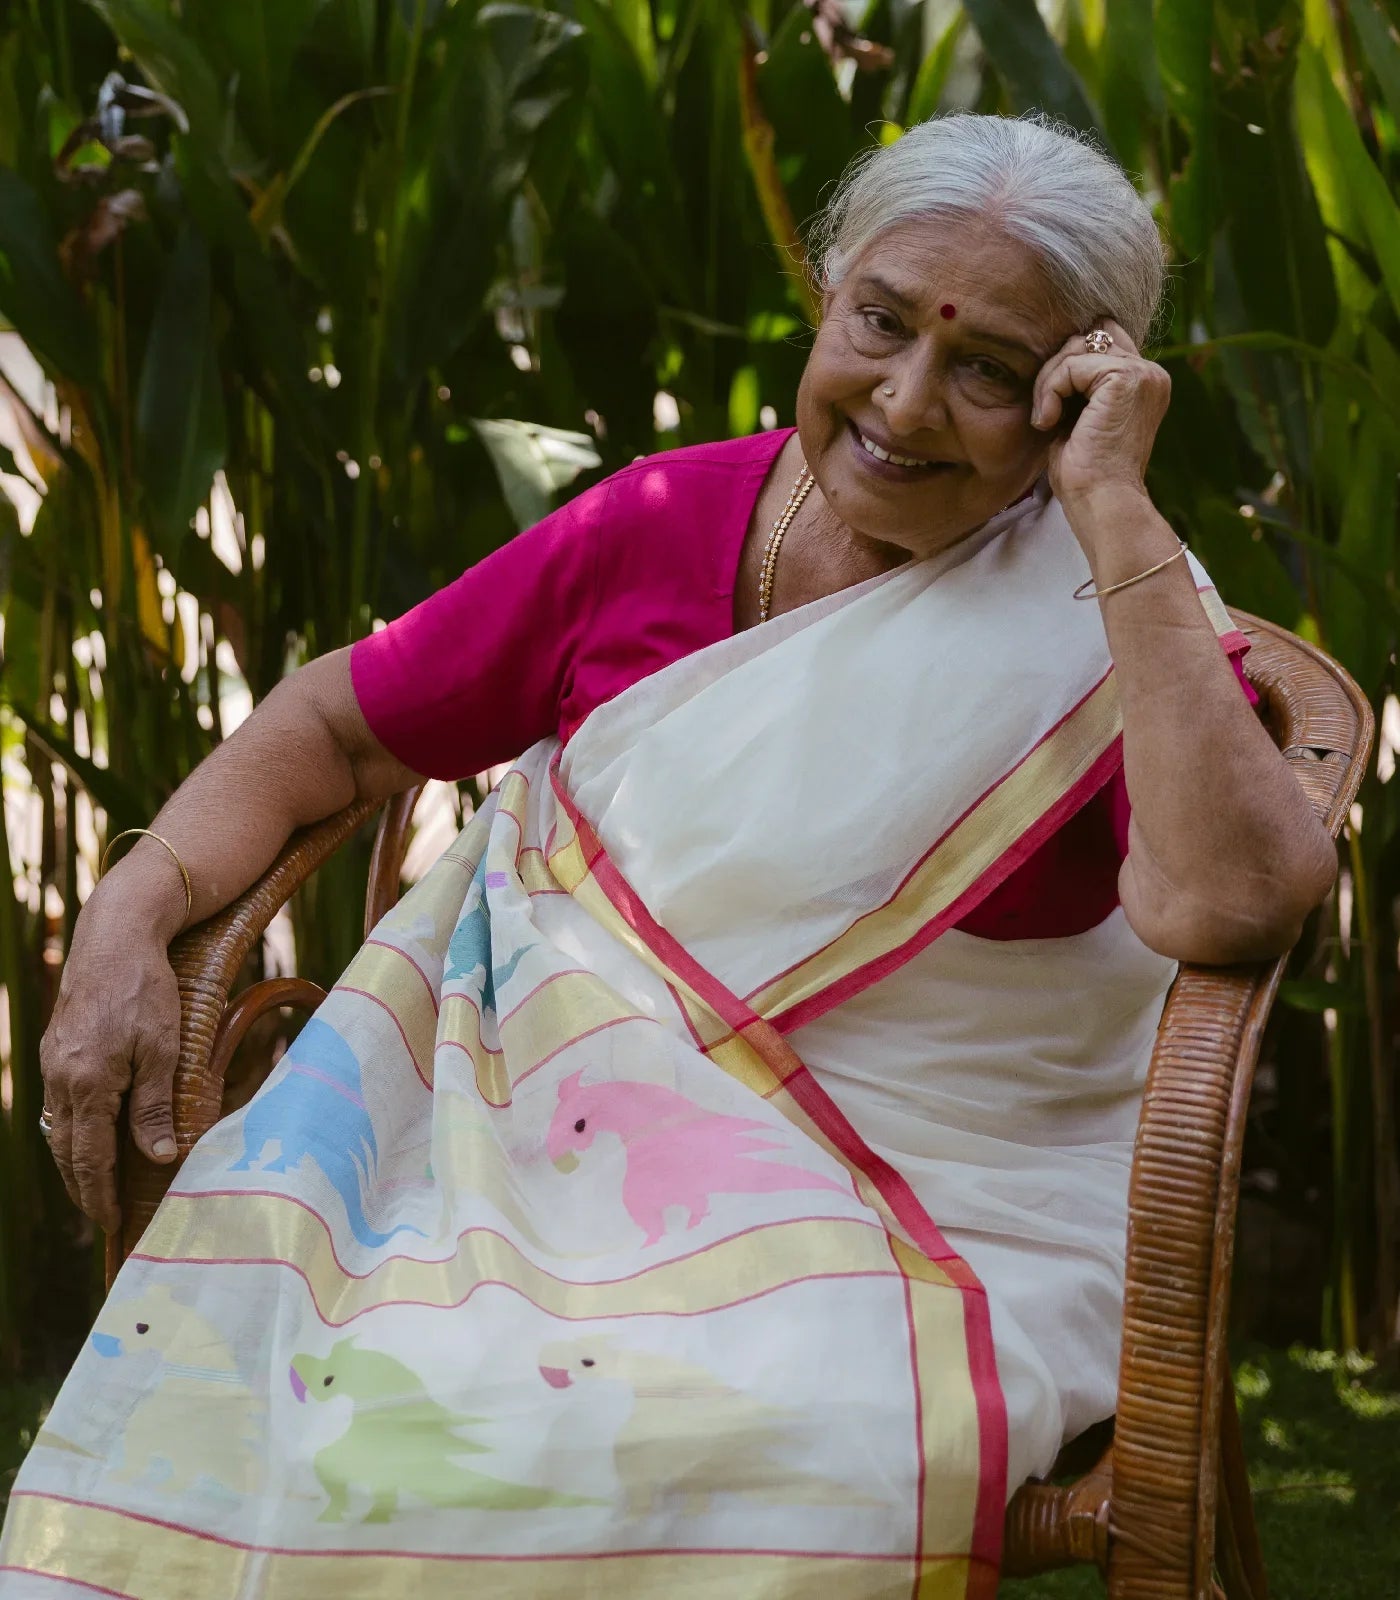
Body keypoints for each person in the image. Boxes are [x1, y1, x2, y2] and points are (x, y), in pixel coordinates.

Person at [2, 114, 1335, 1598]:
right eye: (880, 323)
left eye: (987, 370)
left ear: (1077, 393)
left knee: (725, 1429)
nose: (904, 401)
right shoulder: (660, 520)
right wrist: (134, 904)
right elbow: (338, 725)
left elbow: (1232, 901)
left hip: (942, 1206)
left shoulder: (1100, 608)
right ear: (825, 293)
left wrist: (1115, 516)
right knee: (361, 1382)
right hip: (520, 1156)